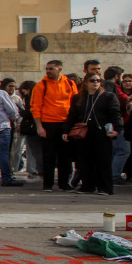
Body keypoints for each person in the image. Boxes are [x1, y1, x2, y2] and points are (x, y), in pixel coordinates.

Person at [64, 74, 122, 195]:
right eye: (92, 80)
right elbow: (72, 115)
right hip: (83, 132)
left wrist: (117, 129)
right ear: (86, 82)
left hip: (101, 131)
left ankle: (105, 187)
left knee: (103, 160)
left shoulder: (108, 96)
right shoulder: (78, 98)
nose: (95, 83)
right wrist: (66, 130)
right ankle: (87, 186)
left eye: (98, 80)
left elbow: (115, 113)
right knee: (85, 160)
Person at [30, 59, 78, 192]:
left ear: (59, 69)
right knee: (48, 156)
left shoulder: (70, 83)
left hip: (65, 123)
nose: (48, 71)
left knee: (65, 156)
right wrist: (39, 126)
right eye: (47, 69)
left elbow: (75, 103)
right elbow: (35, 107)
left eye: (51, 68)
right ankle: (48, 183)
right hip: (48, 123)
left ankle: (64, 183)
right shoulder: (41, 86)